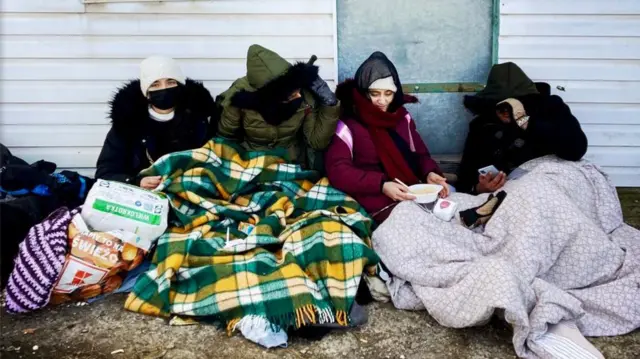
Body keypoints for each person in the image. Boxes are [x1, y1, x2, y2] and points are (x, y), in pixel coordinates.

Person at [325, 51, 450, 223]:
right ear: (364, 92)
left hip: (410, 191)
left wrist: (429, 172)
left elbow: (419, 154)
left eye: (388, 93)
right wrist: (381, 185)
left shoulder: (401, 118)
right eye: (375, 93)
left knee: (452, 213)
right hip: (374, 200)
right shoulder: (347, 125)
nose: (382, 101)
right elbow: (338, 170)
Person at [456, 62, 588, 194]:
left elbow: (575, 150)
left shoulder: (550, 110)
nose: (507, 111)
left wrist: (524, 121)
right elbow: (466, 176)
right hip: (508, 194)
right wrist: (480, 188)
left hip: (550, 187)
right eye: (502, 107)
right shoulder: (482, 125)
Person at [96, 56, 217, 189]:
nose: (164, 89)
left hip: (189, 191)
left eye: (171, 82)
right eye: (155, 84)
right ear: (146, 92)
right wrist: (136, 181)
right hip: (142, 198)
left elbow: (214, 162)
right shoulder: (127, 124)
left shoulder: (198, 120)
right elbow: (105, 172)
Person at [216, 45, 339, 169]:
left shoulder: (303, 96)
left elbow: (317, 142)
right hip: (251, 161)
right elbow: (225, 139)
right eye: (289, 93)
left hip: (290, 163)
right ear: (271, 94)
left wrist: (330, 104)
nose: (297, 94)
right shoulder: (239, 98)